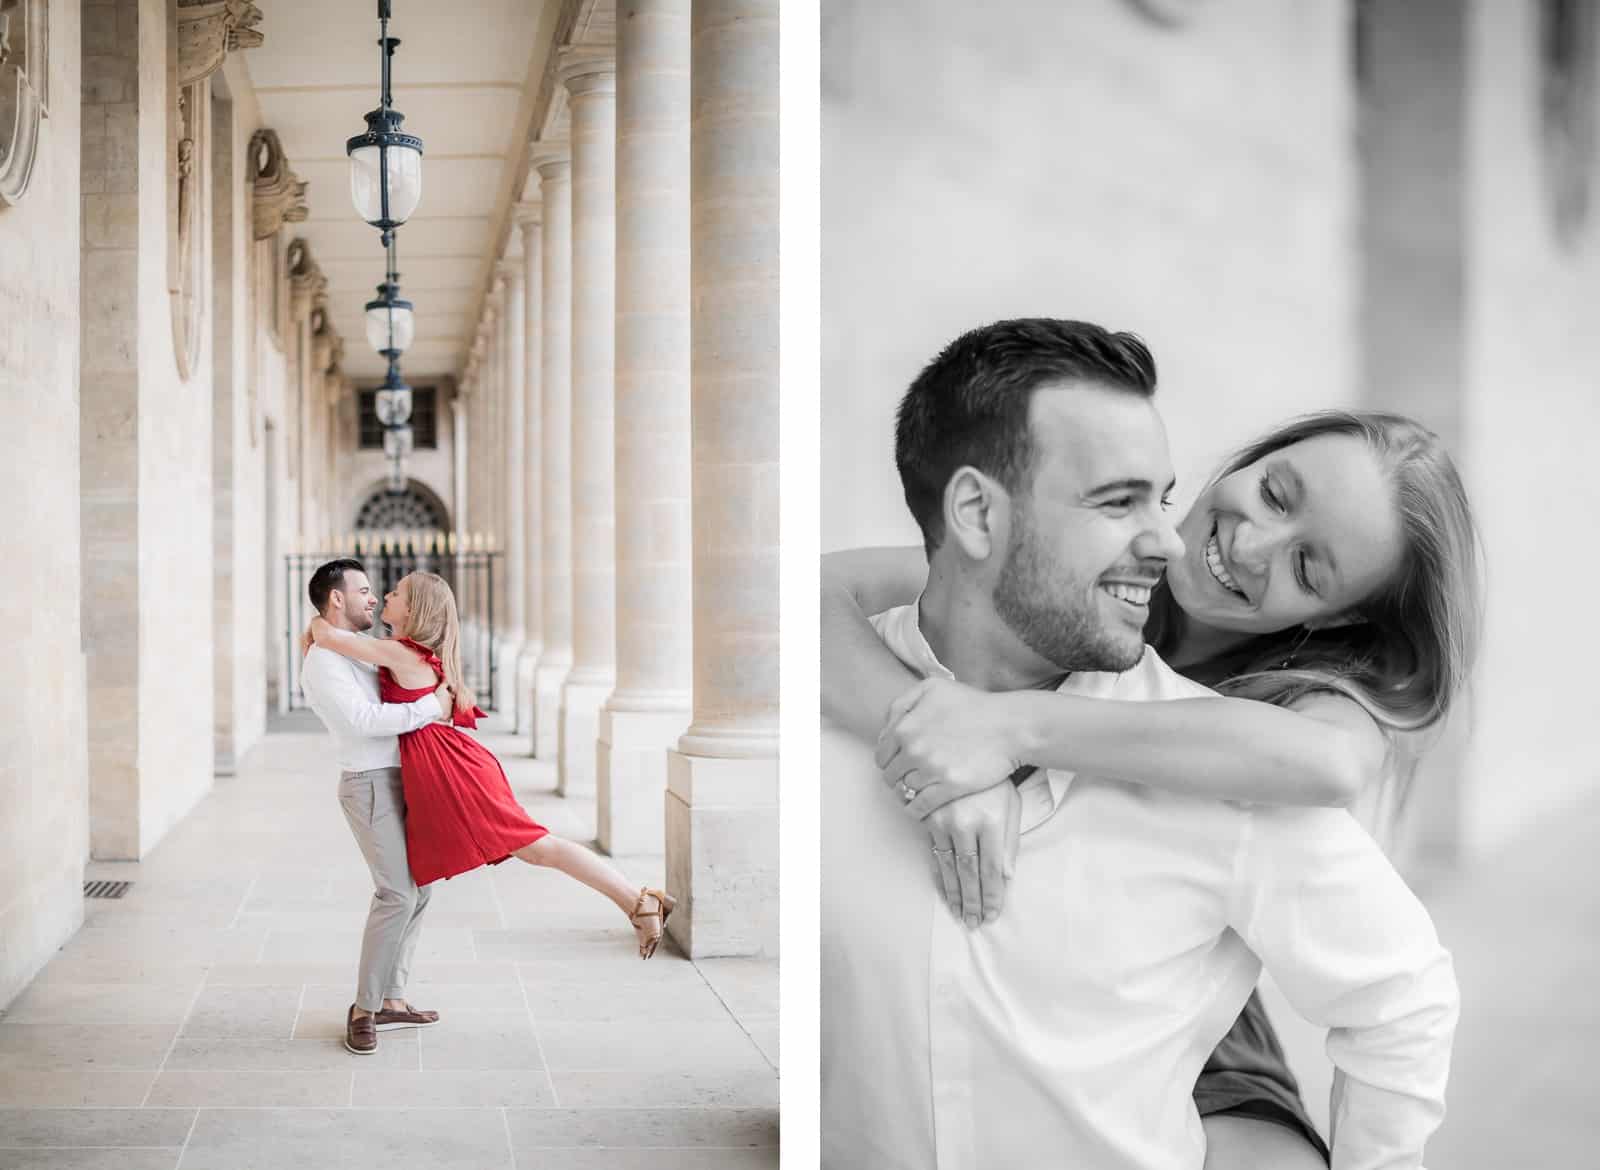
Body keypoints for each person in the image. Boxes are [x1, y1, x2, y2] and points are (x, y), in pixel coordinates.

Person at [820, 318, 1461, 1170]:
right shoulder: (1053, 574)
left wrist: (1006, 731)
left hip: (1208, 1003)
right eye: (1274, 492)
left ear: (1336, 616)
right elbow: (811, 590)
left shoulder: (1315, 711)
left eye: (1311, 569)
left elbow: (1332, 770)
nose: (1249, 544)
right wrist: (943, 750)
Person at [305, 570, 676, 970]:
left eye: (394, 593)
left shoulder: (400, 652)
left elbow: (327, 637)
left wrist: (313, 619)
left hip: (453, 771)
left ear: (412, 610)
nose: (383, 598)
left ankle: (637, 901)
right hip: (452, 763)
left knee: (536, 847)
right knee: (535, 847)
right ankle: (638, 900)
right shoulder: (404, 650)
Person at [298, 558, 456, 1056]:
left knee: (421, 889)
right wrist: (432, 707)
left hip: (401, 779)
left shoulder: (358, 651)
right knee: (396, 895)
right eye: (364, 590)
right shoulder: (323, 662)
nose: (374, 598)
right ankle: (364, 1009)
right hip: (368, 785)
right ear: (337, 598)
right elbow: (365, 719)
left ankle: (393, 997)